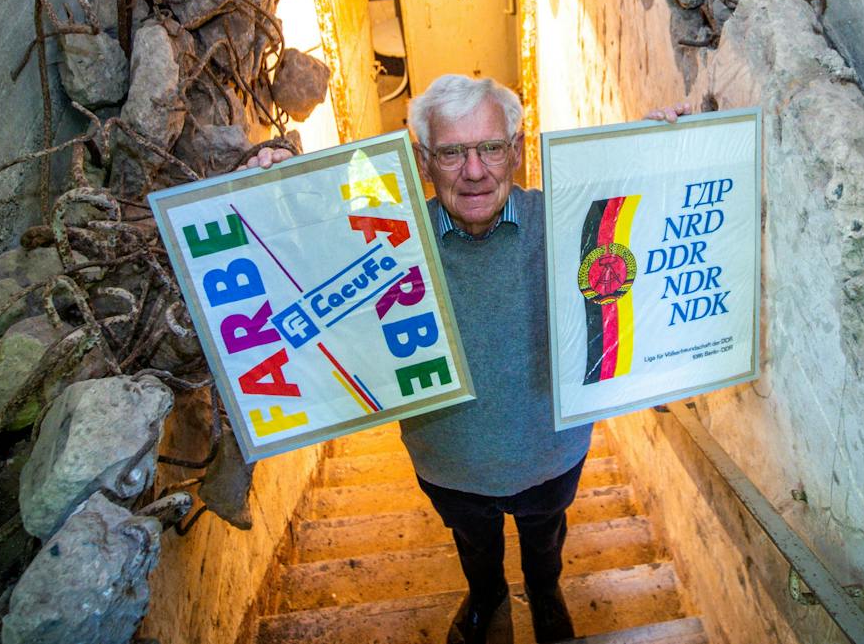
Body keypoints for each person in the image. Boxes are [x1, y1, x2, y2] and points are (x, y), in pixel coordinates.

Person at [251, 74, 690, 644]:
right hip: (450, 466)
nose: (475, 170)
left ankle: (545, 591)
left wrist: (676, 152)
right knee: (474, 546)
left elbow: (653, 238)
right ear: (423, 162)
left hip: (550, 456)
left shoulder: (567, 220)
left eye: (489, 148)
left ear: (517, 151)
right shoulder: (385, 242)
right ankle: (487, 597)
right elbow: (299, 261)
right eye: (452, 153)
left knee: (545, 539)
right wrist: (264, 188)